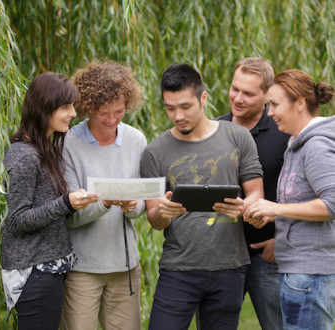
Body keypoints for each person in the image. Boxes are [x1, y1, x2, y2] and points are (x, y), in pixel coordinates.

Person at [140, 63, 264, 330]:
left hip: (230, 268)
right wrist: (162, 212)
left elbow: (256, 195)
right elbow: (154, 219)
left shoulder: (239, 137)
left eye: (185, 107)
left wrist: (243, 208)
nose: (177, 115)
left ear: (203, 98)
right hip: (178, 269)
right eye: (170, 108)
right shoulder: (154, 152)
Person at [0, 72, 99, 329]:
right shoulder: (24, 155)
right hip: (34, 273)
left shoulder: (46, 151)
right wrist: (66, 203)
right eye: (66, 107)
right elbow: (17, 220)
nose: (73, 113)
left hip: (50, 270)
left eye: (73, 106)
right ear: (44, 107)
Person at [244, 69, 335, 330]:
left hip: (312, 276)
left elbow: (332, 204)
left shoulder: (316, 146)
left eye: (274, 104)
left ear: (299, 103)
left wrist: (277, 207)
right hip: (300, 273)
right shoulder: (296, 144)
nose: (269, 112)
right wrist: (272, 213)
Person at [61, 60, 146, 330]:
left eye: (119, 111)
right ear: (88, 107)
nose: (111, 119)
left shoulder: (136, 140)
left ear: (128, 105)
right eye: (103, 113)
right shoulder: (67, 143)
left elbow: (143, 201)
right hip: (81, 269)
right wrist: (105, 201)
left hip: (125, 268)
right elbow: (68, 216)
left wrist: (134, 205)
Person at [217, 57, 289, 330]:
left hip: (266, 254)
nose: (238, 98)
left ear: (267, 96)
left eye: (248, 93)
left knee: (278, 325)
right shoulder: (213, 130)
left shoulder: (283, 133)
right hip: (220, 256)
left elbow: (297, 193)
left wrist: (280, 239)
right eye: (235, 88)